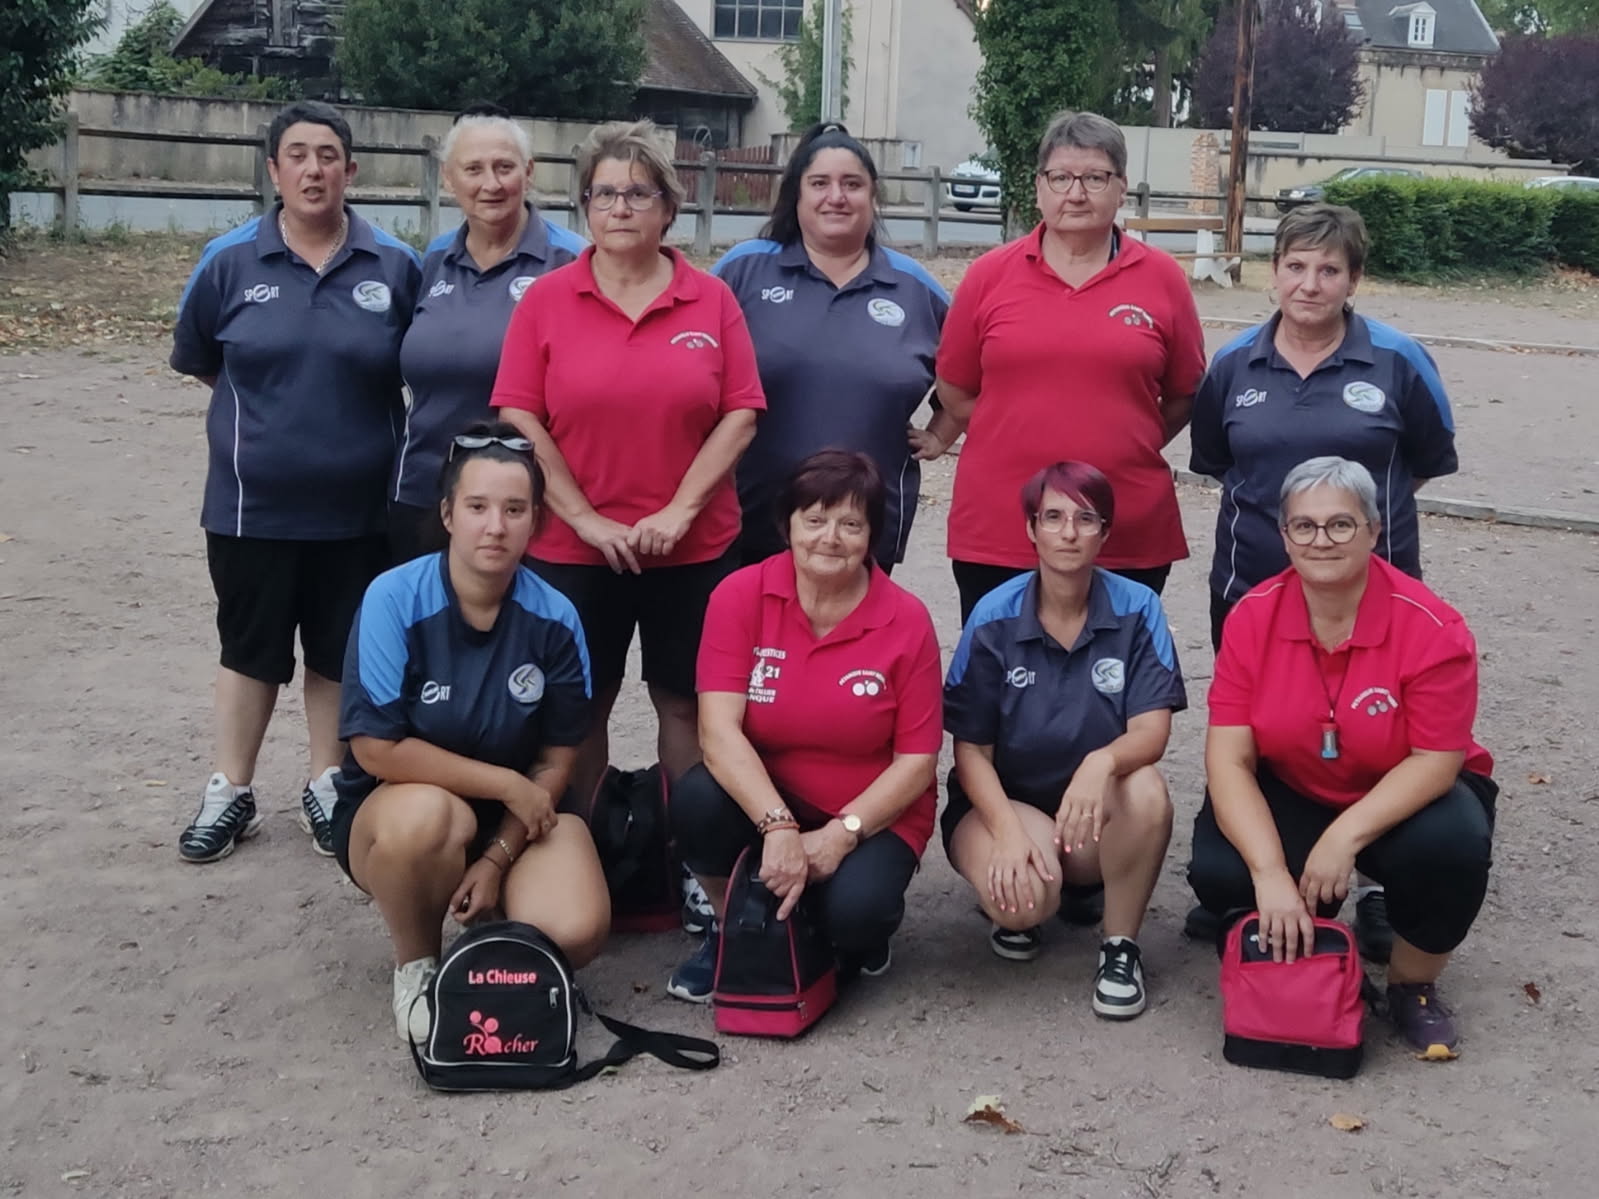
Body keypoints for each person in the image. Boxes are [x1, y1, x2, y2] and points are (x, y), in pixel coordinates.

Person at [1187, 203, 1458, 959]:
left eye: (1329, 269)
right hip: (1250, 592)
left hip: (1372, 601)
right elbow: (1216, 459)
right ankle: (1253, 870)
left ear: (1354, 279)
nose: (1310, 284)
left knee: (1376, 732)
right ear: (1272, 273)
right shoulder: (1233, 364)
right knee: (1262, 735)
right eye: (1296, 266)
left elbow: (1424, 463)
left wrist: (1345, 543)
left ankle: (1379, 882)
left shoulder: (1399, 362)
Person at [170, 100, 421, 864]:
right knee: (249, 650)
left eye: (328, 156)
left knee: (336, 654)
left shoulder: (394, 264)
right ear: (274, 170)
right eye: (298, 156)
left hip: (360, 513)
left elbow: (419, 362)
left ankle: (326, 786)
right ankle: (230, 790)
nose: (314, 170)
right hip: (252, 510)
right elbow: (202, 361)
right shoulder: (227, 261)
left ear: (351, 169)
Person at [491, 119, 764, 809]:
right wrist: (583, 518)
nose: (620, 208)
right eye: (605, 193)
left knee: (686, 701)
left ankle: (685, 847)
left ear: (668, 208)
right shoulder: (547, 299)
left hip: (693, 547)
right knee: (581, 703)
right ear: (584, 205)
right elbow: (519, 415)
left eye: (639, 194)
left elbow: (740, 413)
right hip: (574, 549)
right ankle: (585, 841)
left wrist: (680, 511)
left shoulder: (711, 298)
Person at [1187, 457, 1496, 1059]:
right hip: (1296, 781)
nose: (1320, 540)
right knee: (1225, 869)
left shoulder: (1432, 627)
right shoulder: (1253, 615)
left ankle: (1411, 985)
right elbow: (1228, 760)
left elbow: (1436, 761)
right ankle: (1313, 945)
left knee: (1453, 849)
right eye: (1303, 526)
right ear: (1284, 536)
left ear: (1374, 531)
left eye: (1340, 524)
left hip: (1407, 791)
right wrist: (1270, 873)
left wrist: (1342, 839)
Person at [331, 421, 609, 1044]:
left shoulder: (556, 617)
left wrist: (496, 856)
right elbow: (375, 748)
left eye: (514, 510)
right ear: (448, 514)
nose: (495, 527)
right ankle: (418, 965)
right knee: (430, 817)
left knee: (575, 931)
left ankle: (490, 929)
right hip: (397, 811)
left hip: (516, 819)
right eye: (478, 507)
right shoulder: (393, 598)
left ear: (536, 523)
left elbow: (558, 758)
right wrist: (506, 784)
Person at [665, 451, 943, 1001]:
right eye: (814, 520)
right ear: (787, 524)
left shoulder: (906, 620)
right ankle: (731, 928)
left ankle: (830, 931)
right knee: (696, 798)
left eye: (851, 524)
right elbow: (718, 732)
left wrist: (841, 835)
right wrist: (779, 827)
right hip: (769, 799)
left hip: (869, 812)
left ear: (873, 536)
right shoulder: (740, 595)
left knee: (858, 915)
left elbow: (917, 764)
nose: (830, 538)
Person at [925, 110, 1206, 624]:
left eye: (1095, 178)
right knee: (1002, 673)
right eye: (1061, 178)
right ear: (1039, 187)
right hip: (1001, 528)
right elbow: (956, 387)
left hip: (1125, 528)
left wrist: (1129, 438)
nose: (1076, 194)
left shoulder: (1162, 278)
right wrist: (1012, 431)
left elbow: (1185, 392)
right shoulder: (989, 276)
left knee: (1115, 671)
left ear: (1121, 188)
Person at [942, 462, 1183, 1019]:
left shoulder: (1138, 608)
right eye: (1052, 517)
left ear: (1105, 532)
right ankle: (1034, 893)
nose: (1068, 532)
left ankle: (1119, 945)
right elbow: (970, 750)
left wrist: (1101, 762)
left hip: (1093, 810)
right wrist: (1007, 832)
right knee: (1023, 905)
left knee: (1147, 789)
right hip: (1007, 804)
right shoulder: (993, 615)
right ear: (1031, 529)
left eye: (1085, 518)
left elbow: (1152, 732)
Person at [710, 122, 950, 571]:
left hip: (863, 531)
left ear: (873, 195)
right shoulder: (742, 270)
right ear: (796, 194)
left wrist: (943, 429)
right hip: (748, 524)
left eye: (852, 184)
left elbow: (978, 370)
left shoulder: (915, 288)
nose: (836, 197)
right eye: (819, 183)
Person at [390, 104, 586, 562]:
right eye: (473, 169)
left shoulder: (571, 261)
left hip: (523, 504)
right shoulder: (433, 260)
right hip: (423, 492)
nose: (491, 184)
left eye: (504, 167)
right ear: (448, 178)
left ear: (529, 172)